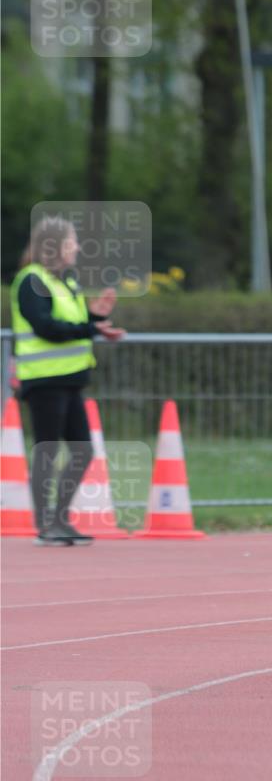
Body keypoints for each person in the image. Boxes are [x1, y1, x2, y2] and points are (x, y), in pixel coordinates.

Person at [10, 216, 126, 546]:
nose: (77, 247)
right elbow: (46, 327)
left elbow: (71, 322)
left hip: (70, 379)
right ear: (54, 246)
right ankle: (46, 526)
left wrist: (97, 318)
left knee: (82, 450)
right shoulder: (31, 280)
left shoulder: (64, 281)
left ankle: (59, 520)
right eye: (72, 241)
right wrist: (91, 328)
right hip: (44, 380)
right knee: (47, 452)